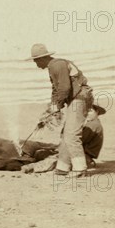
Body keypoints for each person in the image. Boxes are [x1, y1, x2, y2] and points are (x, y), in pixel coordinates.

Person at [27, 43, 93, 177]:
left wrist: (57, 105)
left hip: (79, 98)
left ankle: (80, 169)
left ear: (41, 59)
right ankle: (63, 167)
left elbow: (64, 88)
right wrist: (53, 107)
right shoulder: (53, 66)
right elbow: (56, 90)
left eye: (36, 61)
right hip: (75, 99)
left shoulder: (57, 65)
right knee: (66, 134)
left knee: (72, 134)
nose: (36, 64)